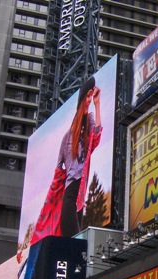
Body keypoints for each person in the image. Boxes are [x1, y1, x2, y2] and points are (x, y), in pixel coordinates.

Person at [56, 76, 103, 237]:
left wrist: (97, 105)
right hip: (69, 193)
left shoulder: (89, 121)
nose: (89, 100)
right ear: (82, 98)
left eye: (91, 96)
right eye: (88, 96)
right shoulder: (66, 138)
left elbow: (96, 136)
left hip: (80, 194)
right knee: (73, 240)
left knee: (76, 242)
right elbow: (58, 171)